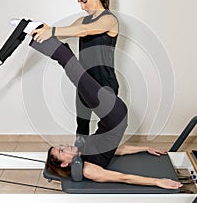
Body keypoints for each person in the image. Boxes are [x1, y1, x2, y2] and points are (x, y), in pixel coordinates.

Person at [29, 33, 182, 190]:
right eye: (61, 150)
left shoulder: (81, 154)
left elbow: (116, 149)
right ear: (65, 163)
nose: (65, 146)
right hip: (113, 114)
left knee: (78, 76)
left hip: (111, 116)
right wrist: (157, 181)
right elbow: (124, 178)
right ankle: (37, 35)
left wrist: (144, 148)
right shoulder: (87, 169)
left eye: (61, 146)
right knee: (77, 75)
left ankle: (42, 39)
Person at [31, 0, 119, 139]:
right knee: (82, 124)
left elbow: (84, 31)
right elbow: (68, 31)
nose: (82, 7)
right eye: (80, 3)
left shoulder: (109, 19)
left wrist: (52, 31)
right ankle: (79, 157)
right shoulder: (82, 20)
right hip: (84, 80)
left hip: (105, 83)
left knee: (106, 129)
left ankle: (99, 159)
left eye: (84, 1)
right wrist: (43, 29)